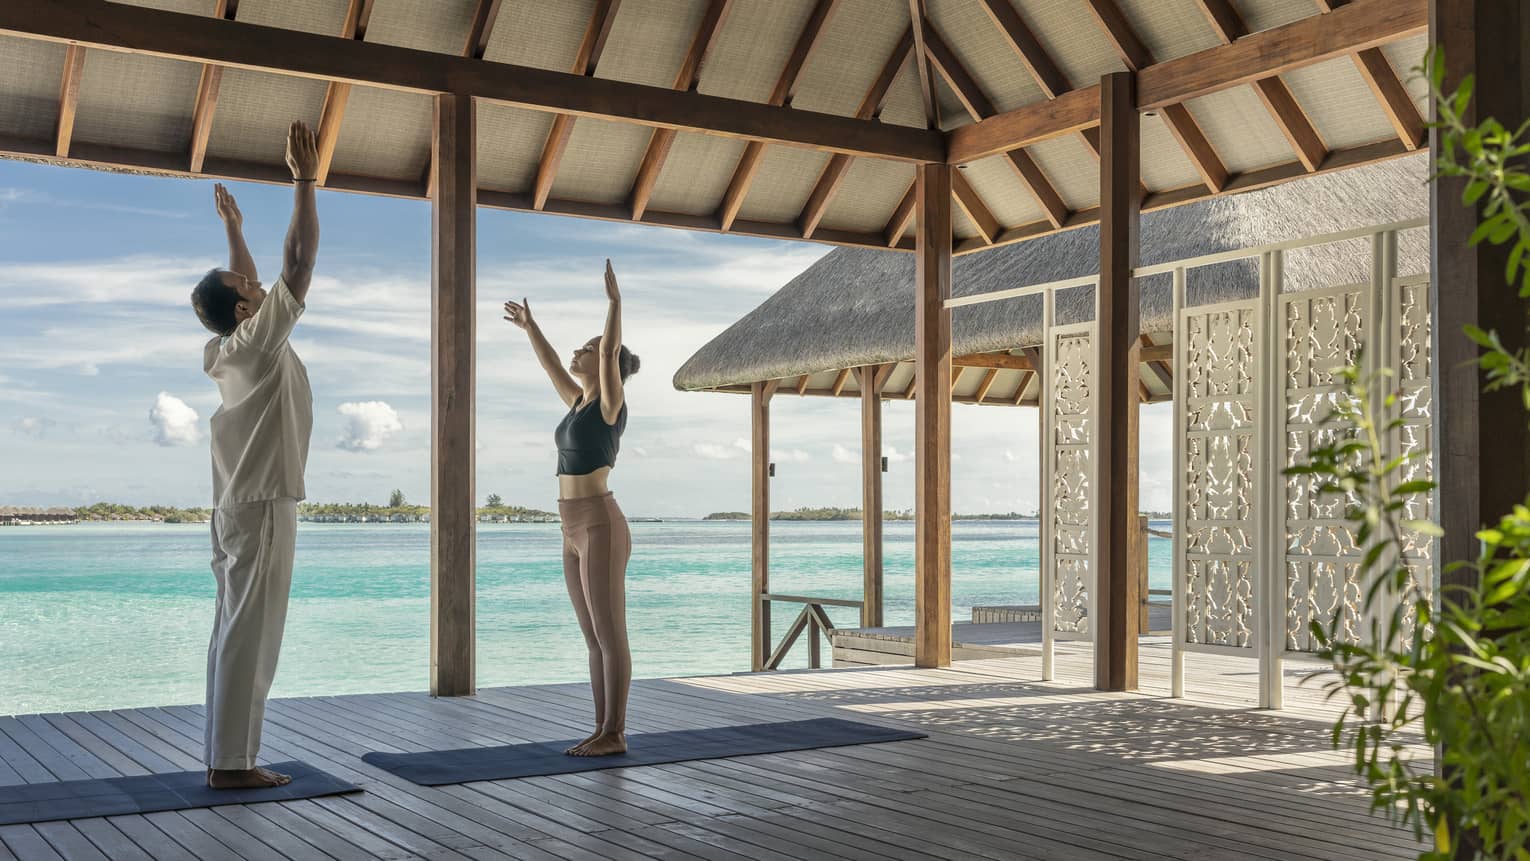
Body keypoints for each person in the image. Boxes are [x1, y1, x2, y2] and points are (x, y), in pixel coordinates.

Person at [189, 121, 320, 788]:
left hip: (237, 505)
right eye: (246, 281)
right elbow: (296, 264)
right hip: (264, 501)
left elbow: (242, 284)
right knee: (252, 636)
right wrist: (304, 181)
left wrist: (234, 227)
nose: (256, 279)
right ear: (245, 305)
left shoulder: (228, 349)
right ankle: (232, 765)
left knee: (231, 631)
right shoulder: (258, 342)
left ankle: (225, 756)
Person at [503, 261, 639, 756]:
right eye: (580, 347)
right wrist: (530, 326)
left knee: (610, 632)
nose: (579, 352)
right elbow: (550, 365)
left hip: (601, 523)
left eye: (587, 348)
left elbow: (606, 350)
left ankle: (616, 732)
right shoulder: (577, 403)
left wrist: (614, 305)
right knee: (591, 636)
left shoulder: (610, 405)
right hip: (570, 527)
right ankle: (601, 728)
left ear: (609, 365)